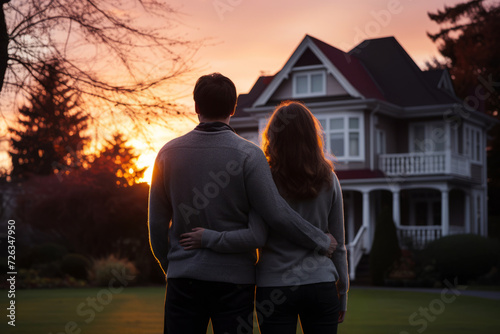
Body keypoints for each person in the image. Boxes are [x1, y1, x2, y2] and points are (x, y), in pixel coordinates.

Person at [148, 73, 337, 334]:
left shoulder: (166, 154)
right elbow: (276, 214)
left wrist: (173, 266)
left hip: (184, 279)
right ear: (234, 108)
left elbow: (156, 224)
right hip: (235, 283)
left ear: (196, 107)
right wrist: (320, 239)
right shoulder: (249, 155)